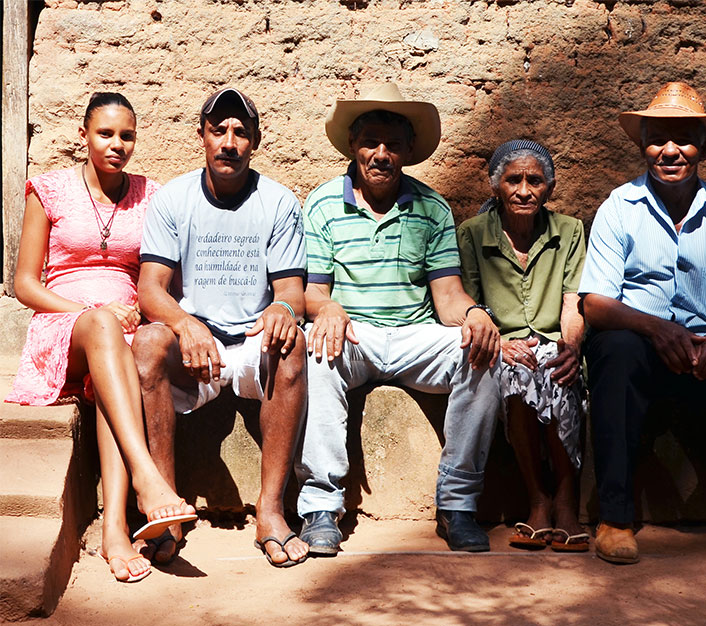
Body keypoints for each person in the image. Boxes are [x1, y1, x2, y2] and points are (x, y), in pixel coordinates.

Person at [579, 82, 706, 565]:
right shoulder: (618, 207)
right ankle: (614, 516)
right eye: (657, 139)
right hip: (645, 353)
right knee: (613, 349)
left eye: (685, 139)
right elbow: (596, 303)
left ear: (704, 147)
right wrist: (657, 329)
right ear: (642, 145)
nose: (670, 151)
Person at [297, 83, 501, 554]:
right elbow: (314, 292)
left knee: (484, 354)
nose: (381, 154)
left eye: (393, 144)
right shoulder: (325, 204)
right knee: (316, 348)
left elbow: (447, 295)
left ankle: (458, 506)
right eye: (371, 141)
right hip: (354, 334)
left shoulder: (431, 208)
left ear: (409, 150)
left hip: (414, 336)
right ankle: (321, 507)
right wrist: (327, 308)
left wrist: (473, 314)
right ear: (353, 146)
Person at [6, 92, 197, 583]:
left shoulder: (151, 195)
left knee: (111, 366)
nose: (117, 145)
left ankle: (115, 528)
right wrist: (90, 310)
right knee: (102, 327)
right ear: (83, 136)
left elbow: (160, 274)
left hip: (120, 333)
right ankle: (148, 479)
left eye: (127, 135)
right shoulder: (46, 191)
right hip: (62, 326)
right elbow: (25, 284)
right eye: (105, 134)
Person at [132, 87, 309, 568]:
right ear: (203, 137)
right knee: (148, 341)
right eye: (219, 130)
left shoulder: (277, 201)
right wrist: (184, 323)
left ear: (255, 140)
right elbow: (151, 289)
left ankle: (271, 511)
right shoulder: (174, 198)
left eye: (240, 132)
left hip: (252, 344)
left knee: (292, 343)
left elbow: (291, 291)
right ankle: (166, 509)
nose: (229, 141)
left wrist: (283, 311)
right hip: (197, 351)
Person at [457, 140, 589, 552]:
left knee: (557, 367)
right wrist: (500, 342)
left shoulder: (569, 231)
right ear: (496, 186)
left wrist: (571, 346)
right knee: (516, 371)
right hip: (503, 344)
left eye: (535, 180)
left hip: (552, 339)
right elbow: (470, 305)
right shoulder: (472, 235)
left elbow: (573, 303)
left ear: (549, 187)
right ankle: (538, 499)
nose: (524, 190)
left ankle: (566, 500)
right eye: (514, 180)